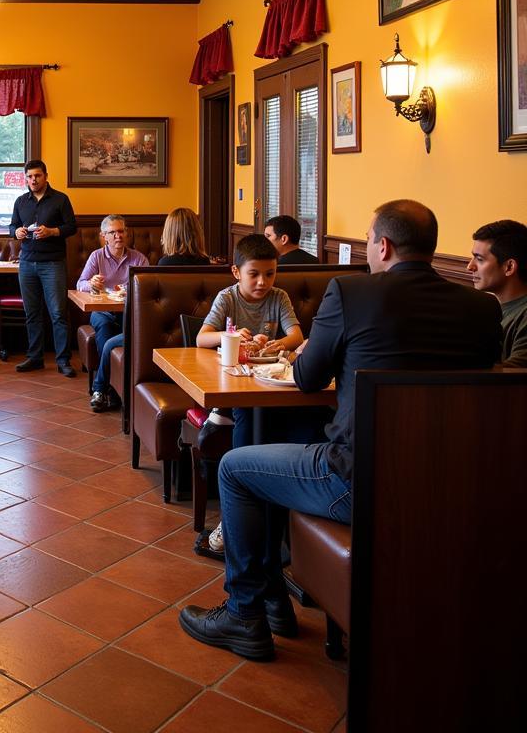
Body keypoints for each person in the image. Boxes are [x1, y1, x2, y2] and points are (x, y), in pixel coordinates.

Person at [179, 200, 503, 661]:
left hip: (359, 480)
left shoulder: (352, 294)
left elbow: (308, 377)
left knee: (236, 467)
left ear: (384, 246)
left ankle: (244, 613)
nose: (368, 247)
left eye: (369, 239)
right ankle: (274, 603)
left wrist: (315, 347)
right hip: (454, 484)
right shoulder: (482, 309)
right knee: (274, 456)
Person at [195, 233, 308, 557]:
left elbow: (296, 335)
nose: (262, 282)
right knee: (246, 414)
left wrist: (278, 343)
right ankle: (238, 509)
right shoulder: (227, 298)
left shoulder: (279, 297)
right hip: (235, 385)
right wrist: (229, 335)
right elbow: (203, 338)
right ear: (236, 272)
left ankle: (277, 517)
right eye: (254, 274)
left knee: (296, 420)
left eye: (270, 274)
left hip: (272, 383)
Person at [91, 208, 212, 414]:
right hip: (196, 335)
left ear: (170, 233)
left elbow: (152, 310)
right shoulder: (207, 264)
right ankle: (104, 390)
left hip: (162, 336)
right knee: (105, 327)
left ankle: (100, 389)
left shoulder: (165, 264)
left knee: (109, 344)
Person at [10, 160, 78, 378]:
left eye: (37, 176)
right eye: (29, 176)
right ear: (26, 178)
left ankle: (63, 360)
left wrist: (52, 232)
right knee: (32, 313)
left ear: (46, 176)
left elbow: (71, 227)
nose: (33, 180)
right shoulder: (21, 201)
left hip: (53, 263)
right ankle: (35, 357)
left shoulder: (60, 199)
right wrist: (17, 232)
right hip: (27, 263)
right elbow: (12, 226)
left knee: (58, 313)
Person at [76, 215, 148, 413]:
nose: (118, 236)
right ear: (103, 236)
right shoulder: (96, 256)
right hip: (102, 310)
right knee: (104, 330)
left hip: (129, 311)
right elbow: (80, 283)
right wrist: (90, 284)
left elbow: (148, 289)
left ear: (127, 233)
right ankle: (112, 390)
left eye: (122, 231)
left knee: (115, 335)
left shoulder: (139, 258)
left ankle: (103, 390)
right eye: (113, 232)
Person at [467, 219, 527, 367]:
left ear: (509, 267)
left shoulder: (524, 315)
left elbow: (513, 378)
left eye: (479, 259)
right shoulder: (489, 310)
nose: (470, 266)